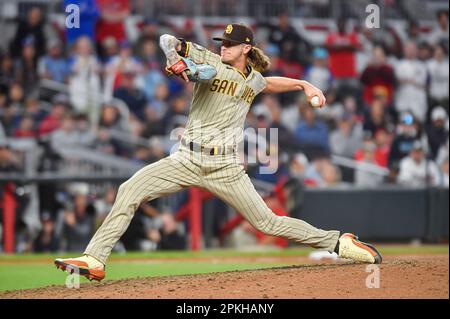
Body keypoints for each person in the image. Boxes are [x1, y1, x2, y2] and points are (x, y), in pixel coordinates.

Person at [55, 23, 382, 281]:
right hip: (186, 158)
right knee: (130, 189)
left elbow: (269, 82)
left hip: (225, 166)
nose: (222, 47)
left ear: (246, 48)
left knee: (267, 222)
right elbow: (168, 40)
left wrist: (303, 85)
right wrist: (176, 60)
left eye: (228, 44)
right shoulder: (209, 61)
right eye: (221, 42)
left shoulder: (252, 80)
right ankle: (95, 259)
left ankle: (339, 243)